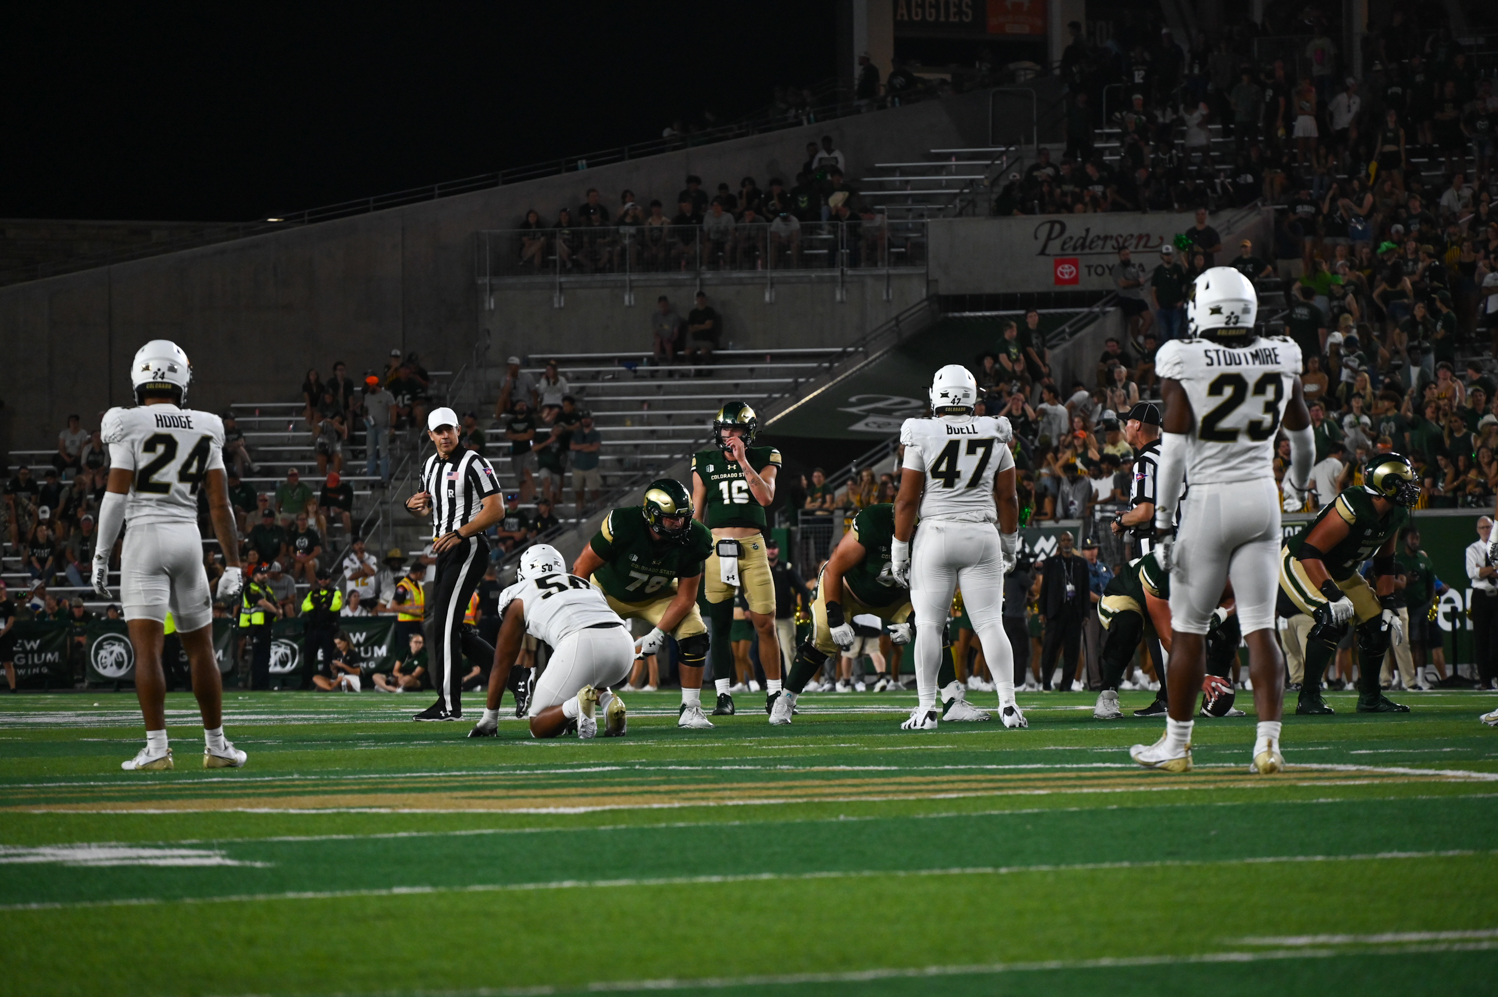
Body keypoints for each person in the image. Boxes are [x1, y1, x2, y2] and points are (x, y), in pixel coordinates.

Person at [1134, 268, 1312, 774]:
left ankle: (1176, 744)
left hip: (1209, 500)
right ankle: (1269, 745)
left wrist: (1164, 524)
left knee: (1189, 629)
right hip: (1262, 497)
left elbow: (1170, 456)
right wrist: (1297, 486)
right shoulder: (1280, 353)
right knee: (1261, 627)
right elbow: (1302, 440)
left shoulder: (1184, 357)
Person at [90, 340, 247, 771]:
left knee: (148, 652)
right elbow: (220, 504)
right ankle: (216, 746)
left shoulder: (126, 422)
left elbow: (116, 495)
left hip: (144, 539)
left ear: (140, 377)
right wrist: (233, 563)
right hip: (188, 539)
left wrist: (101, 554)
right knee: (202, 650)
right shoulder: (206, 425)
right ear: (181, 380)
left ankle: (158, 749)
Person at [892, 365, 1025, 730]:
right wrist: (1010, 544)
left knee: (930, 625)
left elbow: (906, 501)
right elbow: (1009, 497)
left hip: (936, 533)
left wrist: (899, 548)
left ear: (936, 395)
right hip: (982, 535)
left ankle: (927, 709)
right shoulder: (994, 430)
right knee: (990, 623)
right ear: (971, 395)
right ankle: (1008, 704)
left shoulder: (922, 432)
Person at [776, 500, 987, 724]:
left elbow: (937, 585)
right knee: (822, 639)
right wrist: (836, 618)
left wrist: (911, 621)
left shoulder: (934, 534)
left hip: (896, 599)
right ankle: (786, 699)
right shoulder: (873, 522)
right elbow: (834, 569)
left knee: (933, 627)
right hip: (848, 591)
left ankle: (952, 701)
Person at [569, 480, 716, 729]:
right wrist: (581, 610)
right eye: (671, 518)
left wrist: (658, 633)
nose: (678, 524)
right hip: (607, 593)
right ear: (651, 514)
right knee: (578, 640)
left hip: (657, 595)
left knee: (694, 632)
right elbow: (581, 568)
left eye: (683, 517)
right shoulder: (623, 523)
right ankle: (573, 706)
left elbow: (686, 597)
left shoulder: (696, 538)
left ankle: (691, 709)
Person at [1279, 453, 1417, 714]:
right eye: (1403, 482)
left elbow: (1385, 560)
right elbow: (1310, 551)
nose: (1410, 488)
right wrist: (1333, 594)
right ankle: (1308, 698)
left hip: (1339, 570)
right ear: (1385, 484)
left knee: (1379, 624)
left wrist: (1388, 602)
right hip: (1301, 562)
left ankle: (1371, 697)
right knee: (1331, 618)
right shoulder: (1354, 504)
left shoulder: (1395, 511)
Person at [467, 544, 632, 740]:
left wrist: (490, 718)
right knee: (589, 673)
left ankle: (576, 706)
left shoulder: (519, 593)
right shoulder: (585, 584)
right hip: (623, 645)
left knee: (538, 724)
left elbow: (502, 662)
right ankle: (607, 701)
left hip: (582, 643)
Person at [403, 407, 504, 721]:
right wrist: (411, 505)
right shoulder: (430, 464)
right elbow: (427, 508)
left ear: (458, 430)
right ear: (430, 435)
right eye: (438, 431)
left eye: (449, 430)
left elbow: (497, 509)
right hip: (446, 550)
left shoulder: (474, 462)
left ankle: (448, 704)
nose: (444, 436)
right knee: (450, 628)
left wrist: (460, 532)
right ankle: (516, 677)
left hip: (469, 545)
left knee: (444, 626)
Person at [690, 403, 783, 718]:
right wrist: (693, 554)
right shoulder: (704, 461)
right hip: (716, 547)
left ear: (749, 433)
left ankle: (774, 693)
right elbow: (697, 512)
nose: (730, 436)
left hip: (753, 546)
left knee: (764, 623)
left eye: (737, 430)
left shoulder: (765, 455)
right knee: (720, 625)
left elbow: (766, 498)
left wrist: (743, 460)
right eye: (726, 430)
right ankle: (723, 695)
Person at [299, 569, 344, 690]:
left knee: (328, 658)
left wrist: (316, 606)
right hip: (313, 629)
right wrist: (322, 606)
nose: (322, 580)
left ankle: (325, 683)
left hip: (328, 629)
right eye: (320, 578)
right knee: (308, 657)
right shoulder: (313, 593)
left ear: (329, 579)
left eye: (325, 578)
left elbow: (335, 606)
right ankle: (305, 683)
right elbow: (305, 606)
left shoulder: (335, 593)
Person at [1467, 517, 1498, 690]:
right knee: (1481, 638)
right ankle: (1484, 680)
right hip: (1481, 595)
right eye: (1483, 527)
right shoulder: (1472, 549)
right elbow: (1473, 573)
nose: (1486, 530)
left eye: (1489, 527)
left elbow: (1480, 571)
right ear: (1478, 529)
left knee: (1496, 639)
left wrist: (1484, 570)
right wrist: (1494, 568)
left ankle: (1496, 676)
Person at [238, 562, 277, 690]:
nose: (265, 576)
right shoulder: (251, 588)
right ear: (255, 575)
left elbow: (274, 601)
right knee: (258, 657)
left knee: (264, 656)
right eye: (262, 573)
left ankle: (263, 684)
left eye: (266, 573)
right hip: (255, 627)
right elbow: (262, 602)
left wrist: (278, 609)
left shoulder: (265, 588)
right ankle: (257, 685)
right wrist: (277, 611)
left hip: (264, 626)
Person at [569, 410, 603, 513]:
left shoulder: (596, 433)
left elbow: (594, 448)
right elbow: (572, 446)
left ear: (591, 420)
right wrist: (587, 445)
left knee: (594, 491)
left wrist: (580, 447)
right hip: (578, 466)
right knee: (578, 493)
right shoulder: (577, 433)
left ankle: (599, 511)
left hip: (591, 466)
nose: (585, 420)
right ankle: (579, 512)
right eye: (584, 418)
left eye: (587, 418)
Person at [684, 291, 720, 366]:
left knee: (704, 351)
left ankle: (708, 367)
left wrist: (696, 326)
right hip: (695, 340)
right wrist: (703, 326)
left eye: (702, 298)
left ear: (705, 299)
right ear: (696, 300)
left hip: (707, 340)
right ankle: (696, 367)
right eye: (699, 298)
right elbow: (690, 329)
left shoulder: (710, 311)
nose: (700, 300)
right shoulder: (693, 313)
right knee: (687, 352)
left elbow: (709, 326)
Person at [651, 296, 683, 364]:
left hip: (671, 339)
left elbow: (676, 333)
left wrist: (671, 339)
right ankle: (656, 361)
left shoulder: (674, 316)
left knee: (667, 343)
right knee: (657, 341)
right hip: (660, 339)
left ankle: (670, 362)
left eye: (664, 305)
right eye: (662, 305)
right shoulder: (655, 316)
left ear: (667, 305)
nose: (663, 307)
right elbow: (655, 332)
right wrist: (658, 338)